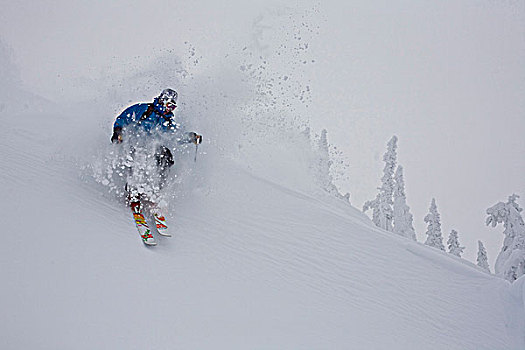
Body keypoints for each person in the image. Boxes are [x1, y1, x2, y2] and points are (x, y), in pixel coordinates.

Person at [111, 88, 202, 213]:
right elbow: (123, 118)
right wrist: (118, 131)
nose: (170, 109)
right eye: (169, 105)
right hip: (135, 143)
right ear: (163, 101)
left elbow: (176, 136)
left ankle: (153, 192)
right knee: (138, 158)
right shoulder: (144, 110)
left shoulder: (167, 121)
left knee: (166, 157)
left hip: (152, 148)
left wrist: (190, 137)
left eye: (173, 107)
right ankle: (133, 194)